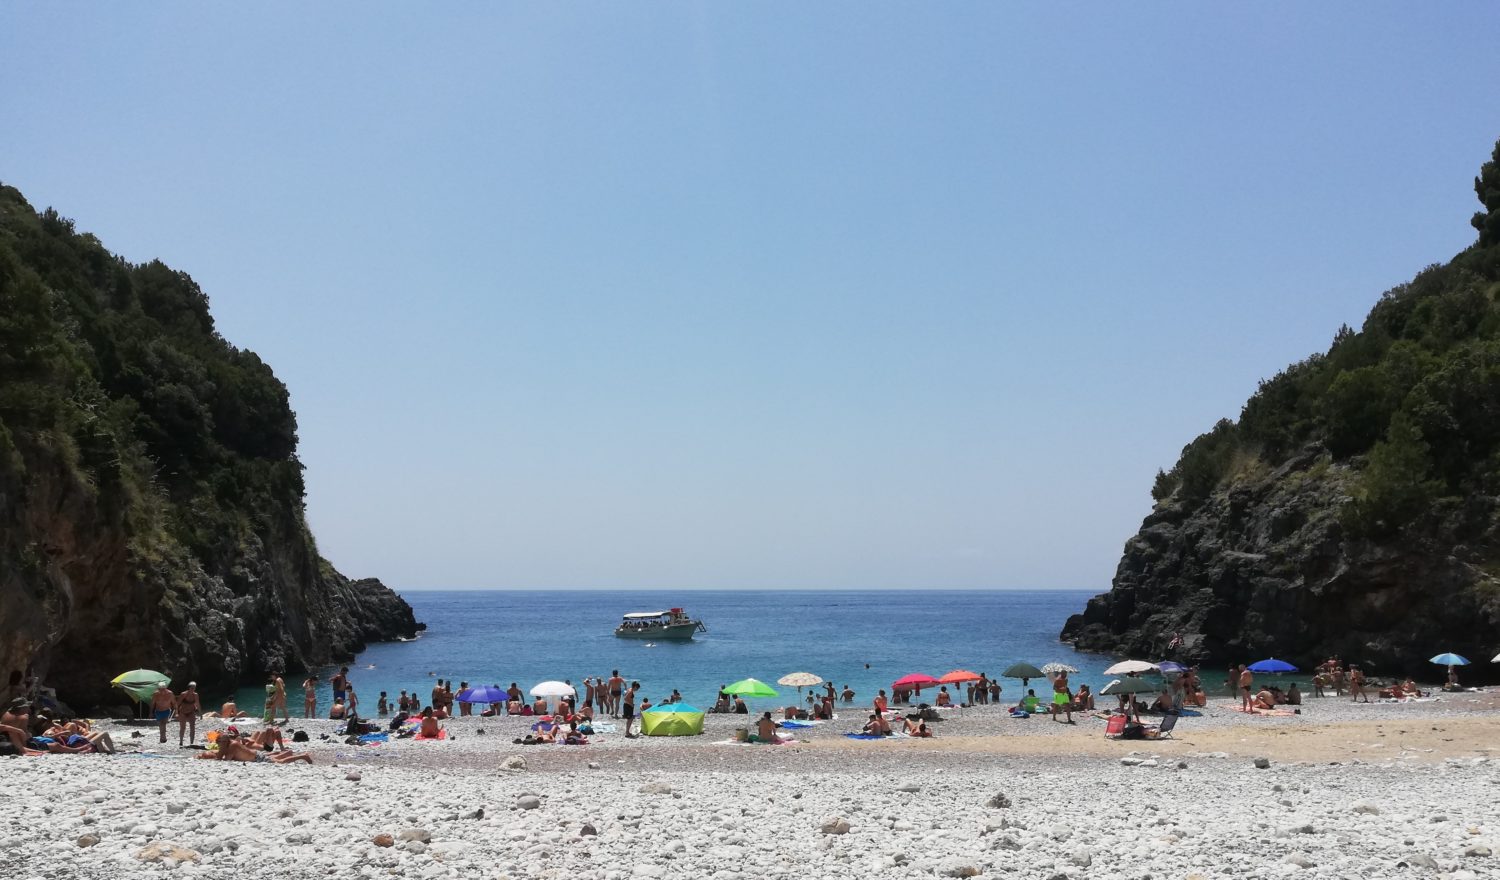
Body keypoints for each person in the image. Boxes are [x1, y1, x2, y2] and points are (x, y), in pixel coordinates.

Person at [198, 729, 311, 764]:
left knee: (279, 762)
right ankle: (289, 753)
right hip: (255, 755)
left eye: (219, 743)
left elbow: (226, 759)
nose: (219, 744)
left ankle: (303, 756)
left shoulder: (232, 746)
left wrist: (213, 757)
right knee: (275, 758)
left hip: (256, 757)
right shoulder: (231, 744)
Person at [175, 682, 201, 746]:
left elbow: (197, 704)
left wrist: (200, 713)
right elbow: (177, 704)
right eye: (192, 688)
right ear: (189, 688)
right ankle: (181, 741)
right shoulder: (183, 694)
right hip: (182, 712)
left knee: (192, 727)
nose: (193, 689)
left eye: (194, 688)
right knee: (182, 727)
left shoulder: (195, 695)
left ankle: (191, 742)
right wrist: (176, 713)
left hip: (191, 712)